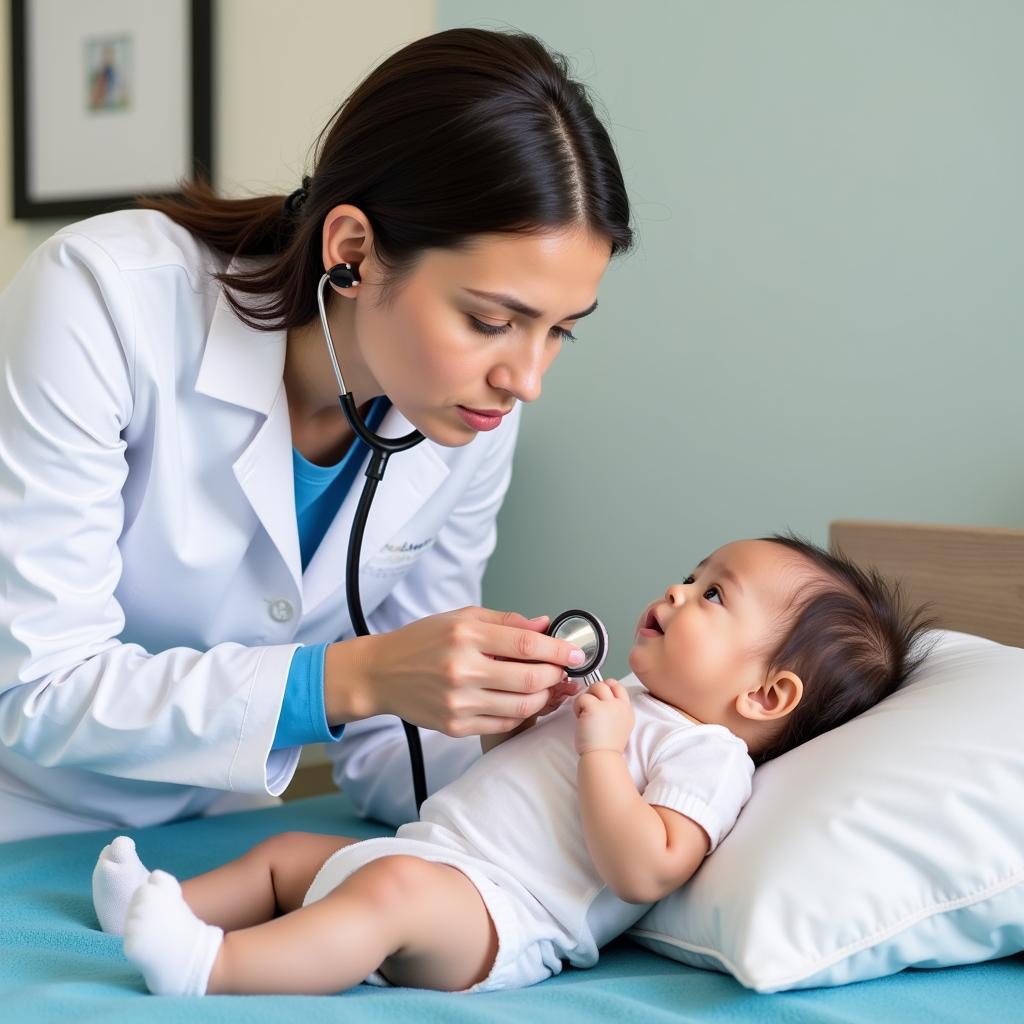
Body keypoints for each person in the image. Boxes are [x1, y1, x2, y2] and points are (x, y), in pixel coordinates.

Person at [0, 29, 633, 841]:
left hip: (214, 827)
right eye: (491, 320)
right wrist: (353, 677)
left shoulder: (471, 413)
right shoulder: (101, 302)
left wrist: (511, 735)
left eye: (560, 332)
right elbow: (37, 686)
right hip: (22, 817)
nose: (526, 378)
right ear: (354, 251)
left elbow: (392, 750)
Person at [92, 535, 931, 996]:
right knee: (287, 857)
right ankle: (164, 906)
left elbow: (643, 867)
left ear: (769, 693)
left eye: (714, 596)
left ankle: (214, 968)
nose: (678, 592)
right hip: (435, 853)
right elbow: (515, 781)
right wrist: (523, 724)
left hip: (502, 918)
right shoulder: (625, 696)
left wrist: (601, 751)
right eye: (690, 574)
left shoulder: (706, 757)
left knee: (387, 898)